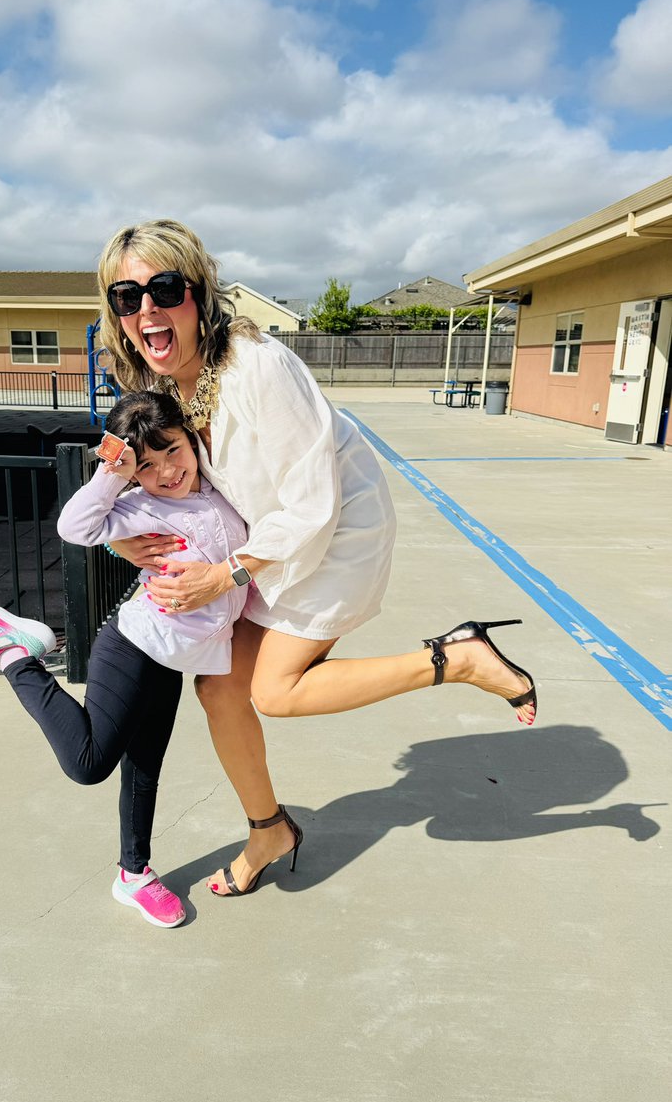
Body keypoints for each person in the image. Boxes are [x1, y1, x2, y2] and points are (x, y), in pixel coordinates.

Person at [97, 218, 537, 898]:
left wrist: (225, 572)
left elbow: (312, 505)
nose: (147, 308)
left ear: (198, 291)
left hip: (336, 533)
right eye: (128, 298)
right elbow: (146, 480)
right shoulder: (163, 387)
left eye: (163, 287)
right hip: (264, 538)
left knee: (273, 691)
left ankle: (456, 657)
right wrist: (127, 535)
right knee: (218, 688)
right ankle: (268, 827)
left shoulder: (257, 368)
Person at [0, 389, 289, 929]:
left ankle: (133, 875)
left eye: (173, 451)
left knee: (145, 771)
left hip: (174, 660)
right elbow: (75, 527)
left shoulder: (224, 491)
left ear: (193, 441)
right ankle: (14, 651)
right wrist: (113, 475)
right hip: (134, 643)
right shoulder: (142, 506)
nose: (167, 471)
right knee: (88, 763)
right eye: (148, 464)